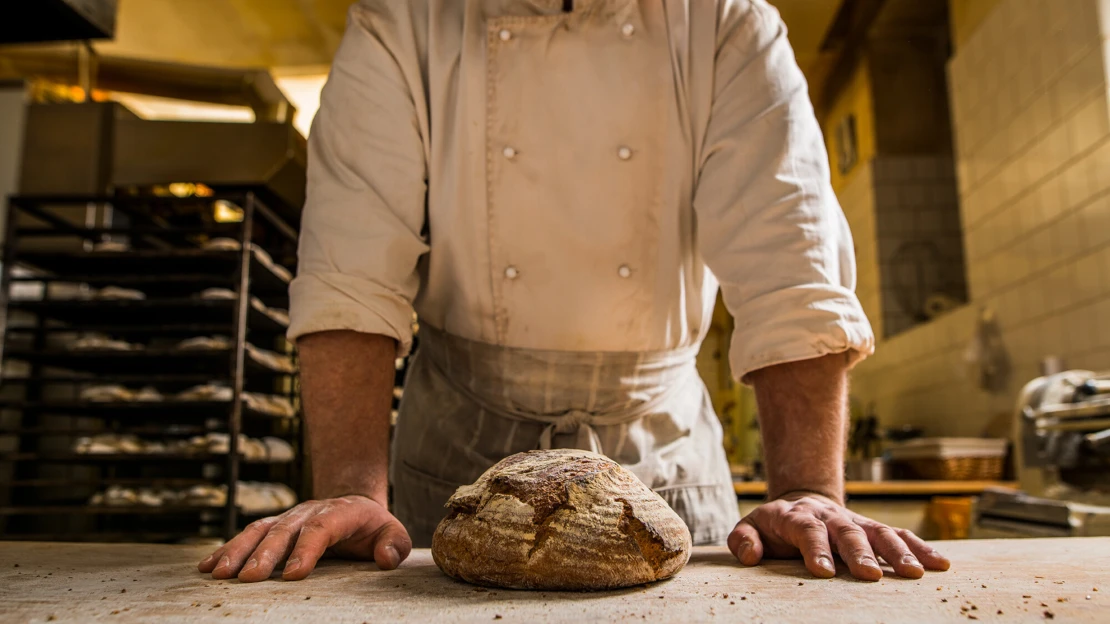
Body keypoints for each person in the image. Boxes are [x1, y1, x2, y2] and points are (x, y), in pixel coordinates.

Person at [200, 0, 951, 584]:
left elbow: (791, 265)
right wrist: (352, 489)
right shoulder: (404, 19)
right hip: (458, 457)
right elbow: (350, 269)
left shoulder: (725, 20)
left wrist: (811, 492)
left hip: (662, 459)